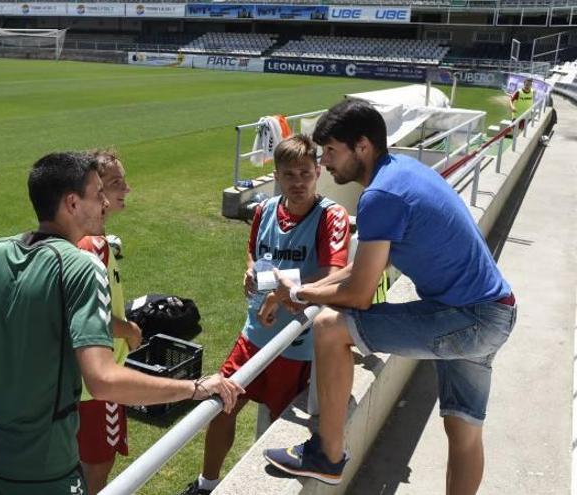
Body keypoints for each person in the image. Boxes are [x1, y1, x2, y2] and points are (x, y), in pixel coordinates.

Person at [260, 100, 516, 494]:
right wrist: (300, 290)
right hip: (493, 312)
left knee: (330, 327)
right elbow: (361, 269)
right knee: (462, 430)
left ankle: (326, 456)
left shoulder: (381, 196)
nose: (325, 162)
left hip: (468, 318)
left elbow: (359, 295)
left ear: (361, 146)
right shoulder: (403, 173)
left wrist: (302, 294)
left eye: (331, 151)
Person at [0, 151, 244, 495]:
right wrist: (195, 388)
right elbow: (104, 379)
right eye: (98, 194)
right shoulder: (80, 266)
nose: (105, 202)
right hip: (42, 470)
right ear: (72, 204)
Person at [179, 135, 351, 495]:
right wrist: (250, 272)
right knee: (221, 405)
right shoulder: (264, 211)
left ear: (319, 172)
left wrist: (281, 292)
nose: (298, 182)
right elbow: (254, 254)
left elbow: (334, 272)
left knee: (279, 427)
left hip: (296, 344)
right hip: (253, 334)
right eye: (289, 174)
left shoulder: (330, 216)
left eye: (305, 172)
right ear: (276, 176)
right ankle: (206, 485)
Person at [74, 149, 141, 495]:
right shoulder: (92, 247)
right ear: (96, 190)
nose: (126, 188)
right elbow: (89, 315)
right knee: (98, 464)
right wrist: (129, 330)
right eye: (116, 182)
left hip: (81, 383)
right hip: (98, 385)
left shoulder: (88, 241)